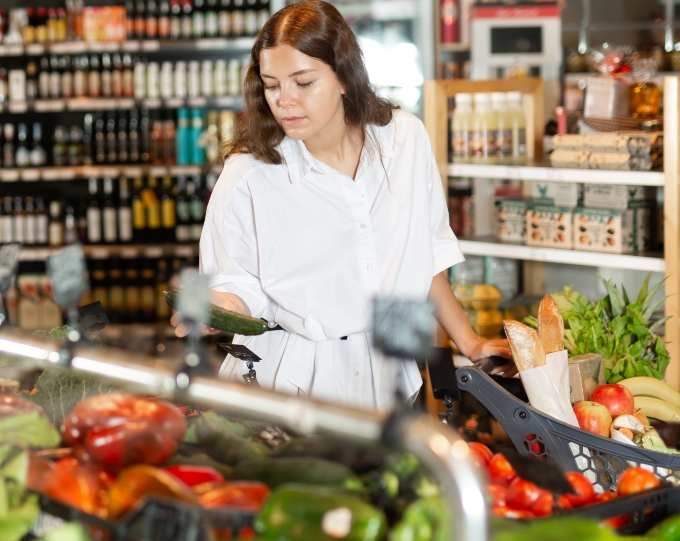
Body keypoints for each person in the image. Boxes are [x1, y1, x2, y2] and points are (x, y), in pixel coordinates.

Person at [187, 0, 510, 411]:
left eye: (303, 83)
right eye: (272, 85)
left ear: (344, 76)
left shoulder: (404, 139)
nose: (284, 101)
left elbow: (423, 253)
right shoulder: (248, 173)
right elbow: (235, 282)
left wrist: (471, 341)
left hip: (389, 376)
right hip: (286, 384)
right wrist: (219, 307)